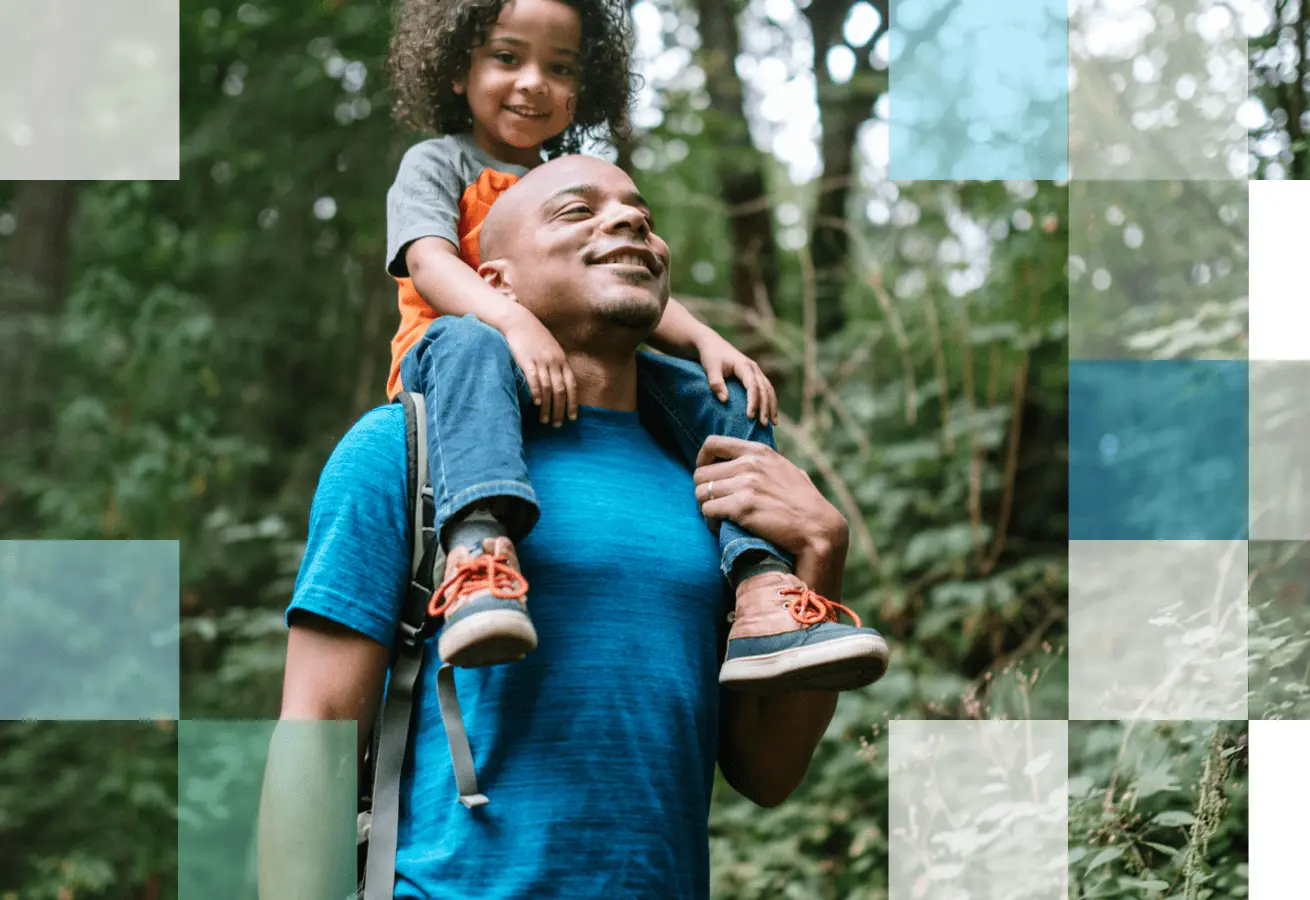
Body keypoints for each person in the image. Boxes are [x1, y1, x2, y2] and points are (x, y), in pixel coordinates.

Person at [262, 156, 880, 899]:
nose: (629, 221)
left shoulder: (723, 475)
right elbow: (318, 730)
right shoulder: (400, 452)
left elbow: (767, 774)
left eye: (641, 215)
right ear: (496, 284)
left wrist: (820, 551)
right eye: (577, 211)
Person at [380, 0, 885, 688]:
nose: (533, 82)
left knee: (723, 393)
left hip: (573, 365)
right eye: (506, 58)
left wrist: (708, 342)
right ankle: (476, 554)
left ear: (582, 89)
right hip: (452, 364)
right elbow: (430, 263)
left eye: (559, 68)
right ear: (456, 72)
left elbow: (628, 286)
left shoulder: (574, 175)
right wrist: (513, 320)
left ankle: (762, 586)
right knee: (473, 340)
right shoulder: (438, 162)